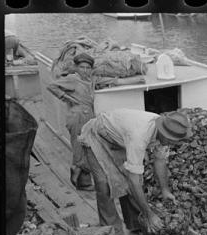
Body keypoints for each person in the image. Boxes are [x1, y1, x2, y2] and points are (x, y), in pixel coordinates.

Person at [78, 108, 192, 235]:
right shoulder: (140, 136)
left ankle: (135, 223)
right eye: (174, 142)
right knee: (104, 185)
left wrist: (165, 190)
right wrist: (149, 214)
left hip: (119, 141)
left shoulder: (165, 129)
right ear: (166, 135)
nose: (175, 144)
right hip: (97, 137)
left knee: (130, 178)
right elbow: (133, 181)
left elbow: (160, 160)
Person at [47, 53, 145, 190]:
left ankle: (79, 174)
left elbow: (115, 81)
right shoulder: (72, 79)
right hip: (77, 116)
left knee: (87, 146)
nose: (85, 70)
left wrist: (138, 80)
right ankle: (80, 179)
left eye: (88, 67)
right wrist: (65, 97)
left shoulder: (92, 79)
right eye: (82, 67)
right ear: (76, 67)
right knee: (79, 148)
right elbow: (51, 86)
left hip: (88, 116)